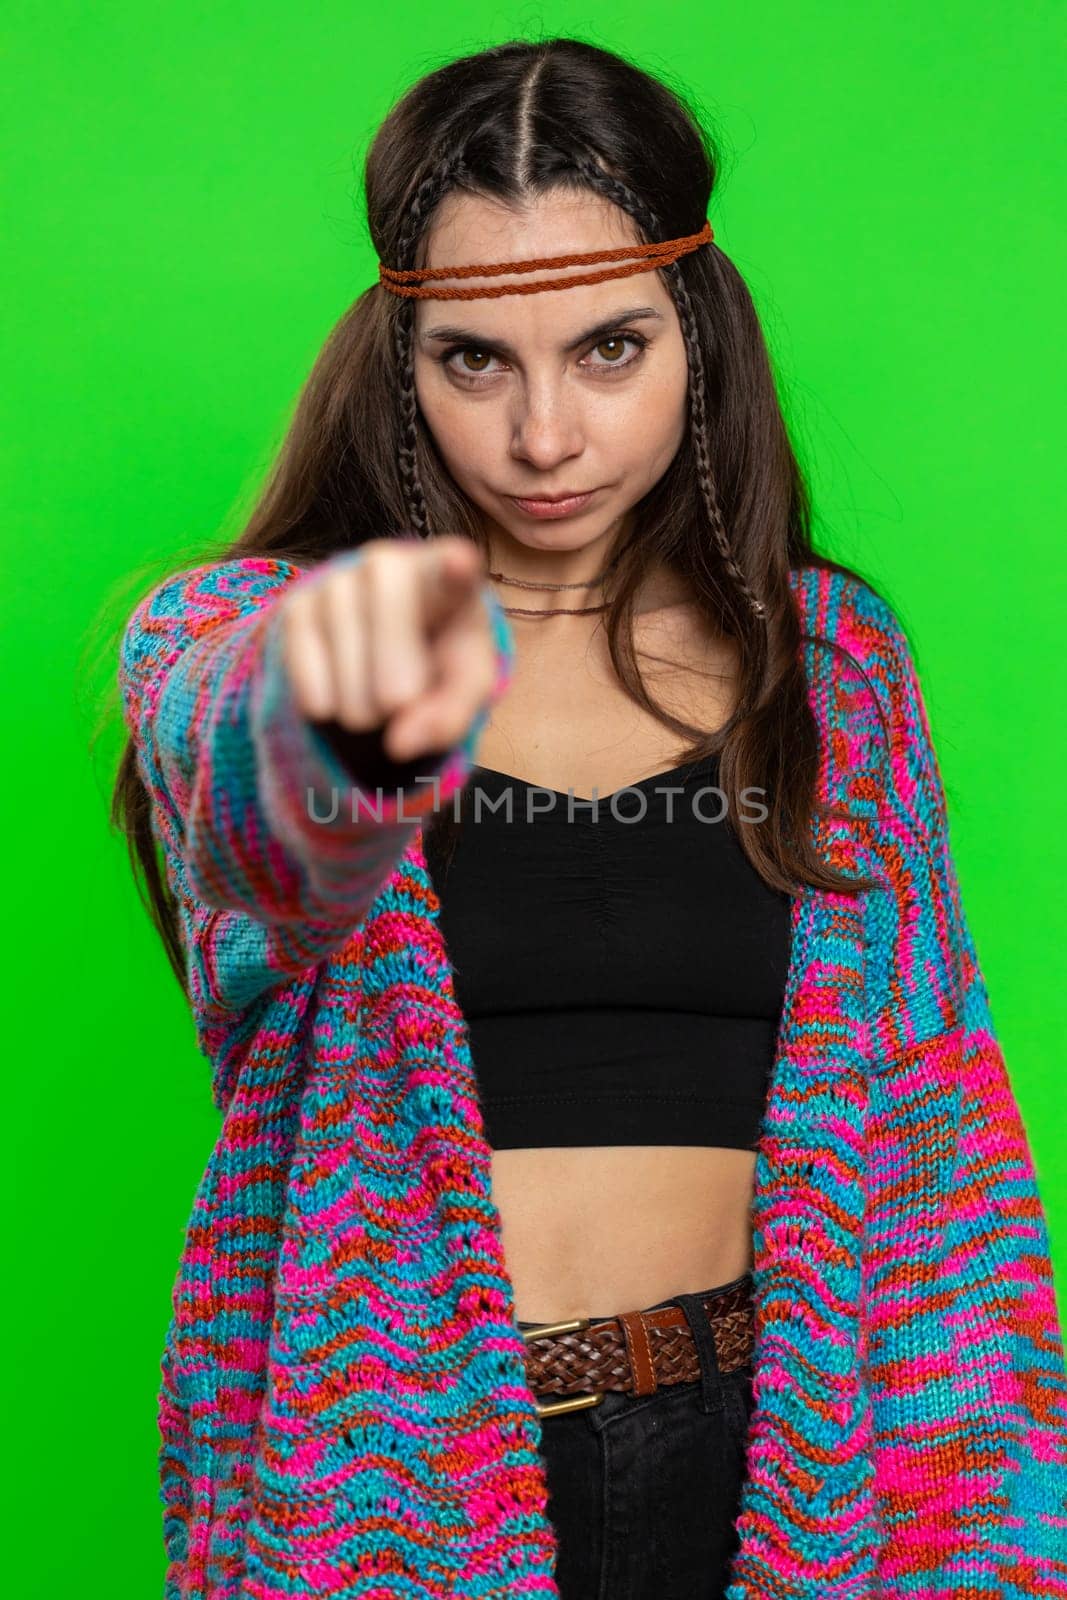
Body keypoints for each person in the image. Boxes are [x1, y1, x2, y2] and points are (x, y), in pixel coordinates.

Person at [113, 36, 1067, 1600]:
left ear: (697, 329)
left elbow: (933, 1135)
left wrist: (990, 1528)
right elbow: (246, 821)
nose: (544, 435)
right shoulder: (256, 641)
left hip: (794, 1450)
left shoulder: (831, 669)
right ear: (398, 358)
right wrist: (324, 709)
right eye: (476, 359)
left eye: (608, 350)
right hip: (393, 1464)